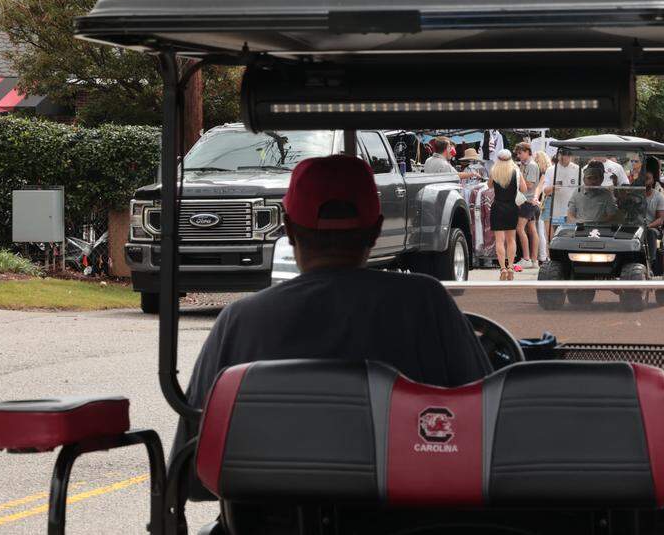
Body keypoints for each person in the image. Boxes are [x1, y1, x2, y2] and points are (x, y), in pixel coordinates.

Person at [172, 155, 490, 499]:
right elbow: (486, 430)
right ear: (376, 229)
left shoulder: (239, 321)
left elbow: (191, 474)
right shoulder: (427, 303)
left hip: (269, 522)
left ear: (290, 230)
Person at [489, 149, 527, 280]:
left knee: (499, 240)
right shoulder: (516, 171)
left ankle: (502, 269)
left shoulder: (494, 171)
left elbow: (489, 186)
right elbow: (524, 189)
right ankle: (510, 266)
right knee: (511, 239)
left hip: (497, 207)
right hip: (512, 207)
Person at [538, 151, 580, 244]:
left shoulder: (577, 169)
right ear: (558, 156)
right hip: (553, 205)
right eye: (563, 155)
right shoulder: (551, 170)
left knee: (569, 236)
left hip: (570, 207)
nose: (565, 157)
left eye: (568, 155)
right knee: (551, 238)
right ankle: (550, 257)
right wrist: (553, 187)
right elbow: (545, 190)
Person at [513, 143, 540, 271]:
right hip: (529, 201)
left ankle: (527, 258)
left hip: (527, 202)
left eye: (520, 153)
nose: (518, 156)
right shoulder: (525, 165)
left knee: (520, 228)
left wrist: (518, 174)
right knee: (532, 229)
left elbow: (529, 185)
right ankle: (533, 260)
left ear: (527, 151)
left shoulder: (532, 166)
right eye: (517, 153)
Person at [532, 150, 552, 263]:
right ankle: (544, 256)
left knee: (543, 231)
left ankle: (544, 256)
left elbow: (539, 188)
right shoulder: (548, 173)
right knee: (543, 231)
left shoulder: (543, 173)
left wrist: (535, 197)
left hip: (543, 203)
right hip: (543, 202)